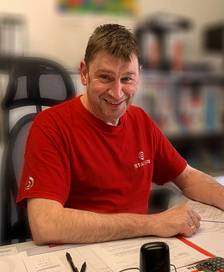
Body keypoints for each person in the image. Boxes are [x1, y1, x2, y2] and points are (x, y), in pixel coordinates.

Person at [17, 24, 224, 245]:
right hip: (80, 254)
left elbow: (189, 177)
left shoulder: (140, 120)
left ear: (139, 76)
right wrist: (153, 223)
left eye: (127, 79)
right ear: (84, 73)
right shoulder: (50, 126)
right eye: (105, 78)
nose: (117, 93)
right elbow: (45, 226)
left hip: (133, 249)